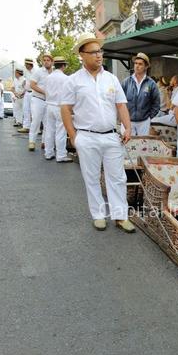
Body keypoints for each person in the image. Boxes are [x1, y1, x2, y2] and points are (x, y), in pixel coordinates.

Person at [60, 33, 135, 233]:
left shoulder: (111, 79)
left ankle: (120, 216)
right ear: (82, 55)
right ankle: (99, 215)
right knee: (91, 177)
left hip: (111, 135)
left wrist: (127, 127)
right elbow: (66, 109)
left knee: (117, 178)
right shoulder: (73, 81)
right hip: (86, 136)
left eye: (100, 51)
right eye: (93, 52)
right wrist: (73, 136)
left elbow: (121, 105)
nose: (98, 55)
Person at [121, 53, 160, 136]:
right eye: (135, 63)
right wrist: (122, 117)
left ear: (146, 66)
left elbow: (156, 104)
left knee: (143, 147)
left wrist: (148, 117)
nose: (137, 66)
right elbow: (120, 101)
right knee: (126, 147)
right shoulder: (126, 82)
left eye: (140, 64)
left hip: (144, 122)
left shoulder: (151, 84)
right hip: (127, 121)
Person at [42, 56, 71, 162]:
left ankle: (48, 153)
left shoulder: (48, 77)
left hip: (49, 105)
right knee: (61, 131)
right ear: (63, 66)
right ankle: (61, 155)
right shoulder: (66, 78)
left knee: (49, 130)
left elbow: (45, 91)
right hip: (60, 106)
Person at [27, 53, 53, 151]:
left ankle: (45, 142)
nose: (46, 62)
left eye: (48, 60)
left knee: (48, 123)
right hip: (38, 99)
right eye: (44, 60)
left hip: (49, 101)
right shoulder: (38, 72)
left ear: (51, 61)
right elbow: (32, 85)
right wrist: (44, 92)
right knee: (36, 121)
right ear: (42, 62)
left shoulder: (54, 73)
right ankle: (32, 142)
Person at [17, 58, 35, 132]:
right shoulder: (27, 72)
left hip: (34, 92)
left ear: (29, 64)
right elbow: (27, 84)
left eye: (26, 64)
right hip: (27, 92)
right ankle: (26, 126)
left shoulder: (36, 71)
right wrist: (23, 92)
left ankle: (35, 128)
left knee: (34, 111)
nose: (25, 65)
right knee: (26, 110)